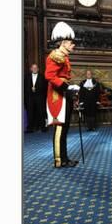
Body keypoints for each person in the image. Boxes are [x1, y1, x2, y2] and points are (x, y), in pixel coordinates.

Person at [45, 22, 81, 168]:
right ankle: (59, 160)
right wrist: (67, 87)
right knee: (60, 127)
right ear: (64, 43)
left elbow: (63, 77)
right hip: (57, 96)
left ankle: (65, 158)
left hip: (64, 95)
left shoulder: (64, 57)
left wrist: (70, 91)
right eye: (72, 43)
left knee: (65, 127)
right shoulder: (56, 56)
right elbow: (49, 76)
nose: (74, 45)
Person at [24, 63, 47, 133]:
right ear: (31, 69)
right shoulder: (26, 77)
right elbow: (24, 88)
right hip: (30, 98)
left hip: (40, 98)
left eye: (36, 68)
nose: (34, 69)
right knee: (30, 113)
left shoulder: (42, 77)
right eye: (33, 68)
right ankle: (30, 128)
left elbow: (45, 88)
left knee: (41, 112)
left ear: (38, 69)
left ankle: (42, 127)